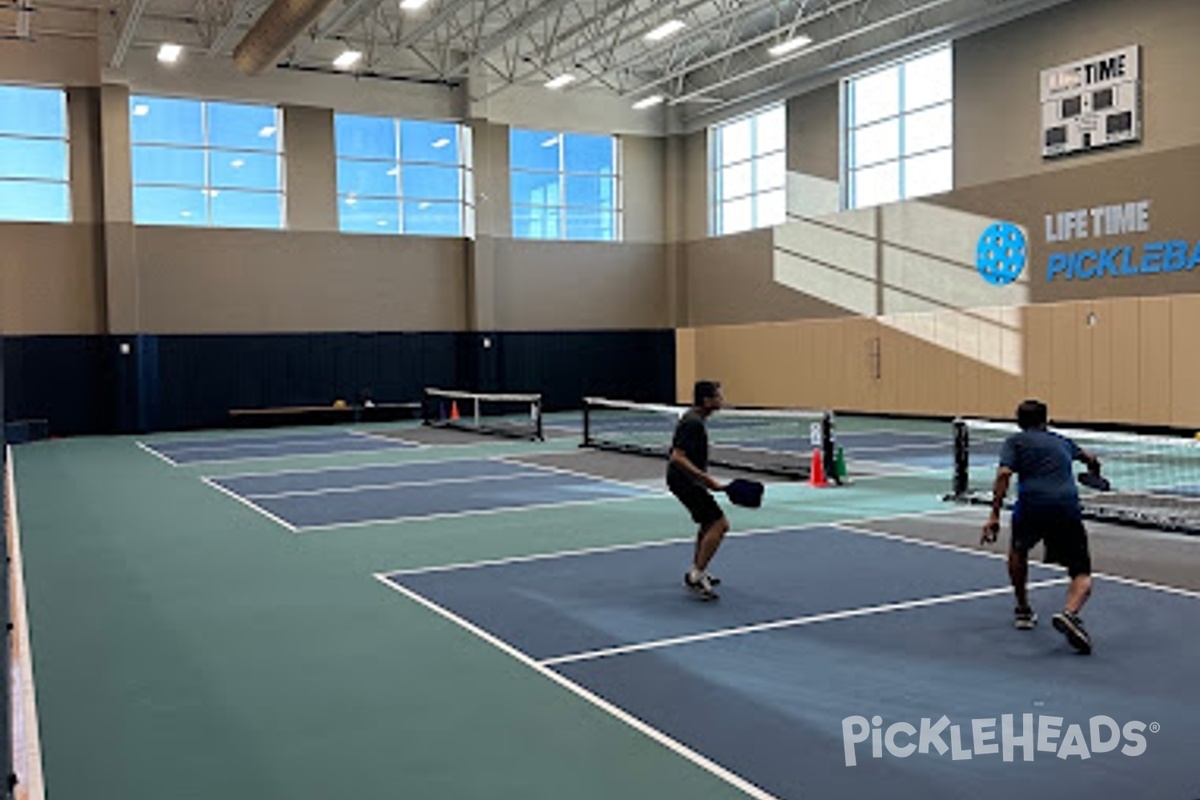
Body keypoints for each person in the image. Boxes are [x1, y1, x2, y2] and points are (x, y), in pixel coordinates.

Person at [980, 399, 1100, 654]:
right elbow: (1090, 457)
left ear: (1019, 421)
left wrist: (993, 515)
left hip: (1032, 505)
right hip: (1066, 507)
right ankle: (1070, 613)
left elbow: (1003, 474)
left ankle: (1023, 609)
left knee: (1018, 551)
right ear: (1046, 419)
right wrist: (1094, 471)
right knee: (1081, 572)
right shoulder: (1062, 441)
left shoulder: (1015, 442)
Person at [668, 380, 728, 601]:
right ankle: (697, 575)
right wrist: (706, 479)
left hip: (688, 481)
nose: (722, 400)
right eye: (718, 396)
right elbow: (677, 456)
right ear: (706, 400)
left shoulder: (695, 419)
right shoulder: (692, 422)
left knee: (708, 522)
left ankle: (697, 569)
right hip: (684, 481)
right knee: (720, 524)